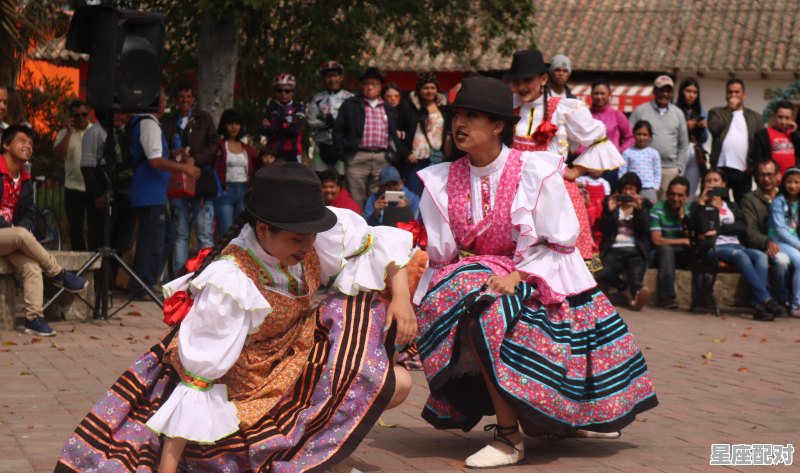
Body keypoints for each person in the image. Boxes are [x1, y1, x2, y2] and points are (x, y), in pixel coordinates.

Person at [56, 163, 417, 473]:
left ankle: (326, 449)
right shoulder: (230, 282)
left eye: (311, 237)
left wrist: (401, 298)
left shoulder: (308, 234)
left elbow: (370, 242)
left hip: (293, 352)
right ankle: (313, 453)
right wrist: (168, 466)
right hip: (242, 383)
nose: (308, 248)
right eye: (297, 240)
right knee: (384, 382)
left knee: (391, 378)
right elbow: (199, 378)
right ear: (263, 230)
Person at [414, 76, 657, 469]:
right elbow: (441, 257)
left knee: (487, 313)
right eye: (457, 114)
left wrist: (520, 276)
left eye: (471, 115)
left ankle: (512, 437)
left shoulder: (535, 171)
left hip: (544, 272)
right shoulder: (441, 181)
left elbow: (560, 243)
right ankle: (527, 424)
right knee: (456, 298)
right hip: (482, 271)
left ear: (497, 125)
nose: (459, 123)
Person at [506, 49, 625, 273]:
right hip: (515, 193)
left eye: (528, 80)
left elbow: (599, 140)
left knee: (557, 263)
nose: (522, 87)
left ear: (543, 79)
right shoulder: (508, 107)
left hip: (554, 194)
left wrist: (575, 170)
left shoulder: (562, 107)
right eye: (517, 81)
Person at [1, 125, 88, 337]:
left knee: (32, 266)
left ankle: (34, 319)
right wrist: (12, 229)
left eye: (30, 144)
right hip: (7, 234)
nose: (28, 146)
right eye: (22, 141)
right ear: (5, 145)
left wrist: (16, 229)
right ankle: (59, 273)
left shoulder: (26, 179)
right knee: (21, 235)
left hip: (9, 239)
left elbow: (31, 213)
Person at [128, 91, 200, 300]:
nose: (165, 104)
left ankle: (145, 282)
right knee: (152, 241)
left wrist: (172, 153)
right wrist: (184, 169)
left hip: (152, 193)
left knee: (163, 238)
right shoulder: (148, 123)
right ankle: (141, 286)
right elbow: (154, 161)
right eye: (163, 100)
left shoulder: (143, 123)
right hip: (149, 193)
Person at [689, 168, 786, 320]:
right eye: (708, 181)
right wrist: (702, 203)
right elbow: (700, 227)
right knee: (741, 256)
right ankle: (766, 299)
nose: (712, 184)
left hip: (736, 245)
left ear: (723, 183)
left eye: (716, 180)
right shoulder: (698, 207)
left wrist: (718, 229)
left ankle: (758, 305)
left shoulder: (731, 206)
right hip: (712, 248)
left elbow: (742, 227)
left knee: (761, 256)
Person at [162, 82, 219, 272]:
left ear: (193, 99)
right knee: (180, 234)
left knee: (204, 234)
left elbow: (214, 145)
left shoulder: (204, 119)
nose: (185, 100)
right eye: (181, 97)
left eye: (188, 96)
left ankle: (206, 279)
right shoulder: (168, 122)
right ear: (176, 99)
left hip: (199, 181)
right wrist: (174, 155)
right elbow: (161, 148)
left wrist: (195, 158)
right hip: (177, 181)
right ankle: (178, 283)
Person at [333, 67, 401, 208]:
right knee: (355, 197)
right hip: (356, 157)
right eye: (366, 84)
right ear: (361, 86)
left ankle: (374, 228)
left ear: (380, 87)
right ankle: (357, 228)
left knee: (377, 198)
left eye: (374, 84)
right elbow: (338, 130)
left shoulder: (387, 107)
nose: (370, 87)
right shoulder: (350, 104)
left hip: (381, 158)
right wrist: (342, 154)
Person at [79, 112, 136, 258]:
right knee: (100, 242)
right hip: (101, 195)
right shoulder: (94, 133)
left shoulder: (122, 133)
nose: (121, 117)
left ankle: (112, 278)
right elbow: (87, 167)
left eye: (123, 115)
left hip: (121, 195)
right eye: (117, 114)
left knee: (118, 245)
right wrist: (97, 195)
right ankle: (99, 279)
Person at [595, 172, 652, 310]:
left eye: (632, 189)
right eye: (625, 188)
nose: (628, 192)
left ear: (637, 191)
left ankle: (637, 296)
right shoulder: (612, 205)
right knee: (601, 273)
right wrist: (609, 212)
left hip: (635, 249)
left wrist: (639, 210)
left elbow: (645, 229)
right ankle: (624, 289)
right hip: (614, 249)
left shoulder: (643, 205)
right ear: (620, 189)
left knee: (635, 279)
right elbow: (604, 229)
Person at [628, 75, 689, 200]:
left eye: (668, 91)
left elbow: (683, 143)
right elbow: (629, 136)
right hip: (644, 169)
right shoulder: (641, 111)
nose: (665, 94)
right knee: (643, 206)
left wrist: (678, 168)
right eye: (661, 90)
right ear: (654, 91)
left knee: (667, 207)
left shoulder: (678, 113)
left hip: (670, 170)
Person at [741, 159, 791, 308]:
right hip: (765, 245)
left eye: (770, 174)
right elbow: (750, 231)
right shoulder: (749, 199)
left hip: (790, 243)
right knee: (782, 261)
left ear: (778, 175)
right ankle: (780, 298)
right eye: (762, 175)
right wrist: (767, 242)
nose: (766, 179)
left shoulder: (787, 196)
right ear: (756, 176)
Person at [708, 79, 764, 203]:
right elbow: (714, 129)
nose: (733, 95)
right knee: (718, 202)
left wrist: (753, 165)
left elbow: (760, 143)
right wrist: (729, 110)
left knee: (743, 205)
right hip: (720, 171)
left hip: (743, 172)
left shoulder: (755, 117)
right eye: (730, 92)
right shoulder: (716, 113)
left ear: (744, 95)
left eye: (736, 92)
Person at [54, 100, 94, 251]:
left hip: (92, 188)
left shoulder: (95, 131)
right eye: (77, 115)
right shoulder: (64, 134)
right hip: (72, 187)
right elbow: (58, 153)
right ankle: (80, 263)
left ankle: (94, 261)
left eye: (84, 114)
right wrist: (69, 133)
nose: (82, 118)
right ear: (71, 117)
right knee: (75, 229)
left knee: (94, 228)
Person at [398, 72, 447, 196]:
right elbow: (397, 132)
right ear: (419, 90)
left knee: (434, 195)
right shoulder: (409, 107)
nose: (429, 91)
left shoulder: (444, 107)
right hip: (416, 158)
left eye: (432, 88)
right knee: (414, 194)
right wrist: (406, 153)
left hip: (438, 158)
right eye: (425, 88)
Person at [650, 176, 691, 309]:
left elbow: (692, 238)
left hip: (683, 253)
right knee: (666, 249)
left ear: (687, 197)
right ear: (667, 194)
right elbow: (656, 240)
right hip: (660, 253)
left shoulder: (691, 210)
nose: (675, 198)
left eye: (680, 195)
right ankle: (667, 298)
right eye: (672, 194)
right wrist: (683, 240)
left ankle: (704, 297)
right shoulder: (657, 209)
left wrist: (682, 218)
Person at [213, 108, 257, 236]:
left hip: (244, 191)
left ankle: (239, 257)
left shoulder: (247, 148)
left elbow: (256, 166)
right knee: (226, 233)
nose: (234, 127)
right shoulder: (219, 145)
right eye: (230, 123)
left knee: (242, 233)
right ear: (224, 125)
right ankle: (225, 257)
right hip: (225, 191)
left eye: (237, 124)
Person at [590, 78, 634, 191]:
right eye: (596, 93)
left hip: (610, 166)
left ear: (609, 94)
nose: (599, 97)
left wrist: (617, 151)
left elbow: (630, 138)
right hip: (588, 166)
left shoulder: (617, 115)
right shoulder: (585, 115)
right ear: (591, 94)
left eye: (602, 93)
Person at [308, 60, 353, 171]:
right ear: (323, 79)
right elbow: (311, 121)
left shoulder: (350, 98)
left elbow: (354, 122)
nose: (332, 80)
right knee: (319, 180)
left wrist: (333, 121)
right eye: (328, 76)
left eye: (335, 76)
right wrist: (328, 123)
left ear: (341, 77)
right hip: (321, 145)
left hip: (342, 146)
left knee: (342, 180)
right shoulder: (317, 98)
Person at [769, 167, 800, 318]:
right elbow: (780, 230)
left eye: (796, 182)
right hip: (779, 241)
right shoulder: (778, 202)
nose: (792, 186)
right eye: (789, 182)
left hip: (794, 242)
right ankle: (796, 304)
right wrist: (798, 245)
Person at [675, 77, 709, 200]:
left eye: (695, 92)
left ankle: (688, 214)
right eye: (688, 91)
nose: (691, 95)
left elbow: (705, 139)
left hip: (696, 151)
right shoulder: (674, 109)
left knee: (692, 188)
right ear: (682, 92)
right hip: (679, 151)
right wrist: (685, 125)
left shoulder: (701, 111)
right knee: (677, 184)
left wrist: (703, 127)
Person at [261, 73, 307, 162]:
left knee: (295, 176)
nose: (283, 93)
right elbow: (263, 130)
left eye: (287, 90)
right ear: (275, 92)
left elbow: (296, 130)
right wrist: (287, 124)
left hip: (294, 153)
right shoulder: (270, 109)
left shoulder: (299, 108)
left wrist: (275, 125)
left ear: (293, 92)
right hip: (274, 154)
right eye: (280, 90)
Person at [752, 100, 800, 173]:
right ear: (774, 116)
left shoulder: (794, 135)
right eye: (780, 117)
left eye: (787, 118)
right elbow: (758, 161)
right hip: (771, 180)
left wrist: (795, 134)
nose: (783, 121)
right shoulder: (763, 135)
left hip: (791, 181)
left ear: (792, 119)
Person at [619, 120, 661, 204]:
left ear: (649, 136)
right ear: (634, 134)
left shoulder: (654, 153)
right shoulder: (627, 152)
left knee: (648, 211)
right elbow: (622, 171)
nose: (641, 137)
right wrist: (623, 186)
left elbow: (657, 172)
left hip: (648, 188)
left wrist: (655, 187)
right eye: (638, 134)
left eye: (645, 135)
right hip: (631, 189)